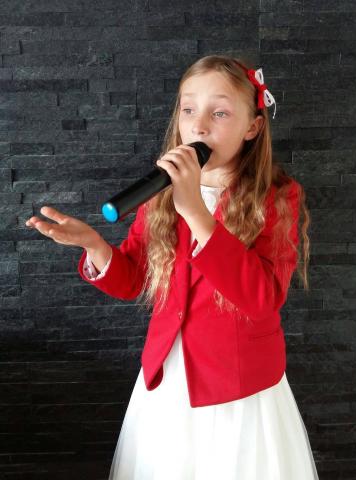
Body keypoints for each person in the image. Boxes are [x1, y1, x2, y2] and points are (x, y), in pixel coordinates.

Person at [25, 54, 318, 480]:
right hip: (168, 381)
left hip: (239, 389)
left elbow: (263, 298)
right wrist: (94, 245)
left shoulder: (277, 196)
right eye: (188, 110)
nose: (199, 127)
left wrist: (196, 211)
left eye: (219, 113)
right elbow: (135, 279)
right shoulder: (162, 193)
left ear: (252, 127)